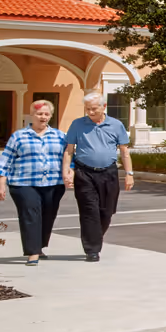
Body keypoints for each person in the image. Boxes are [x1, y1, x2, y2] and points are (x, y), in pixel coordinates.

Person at [63, 91, 134, 262]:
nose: (90, 112)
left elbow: (124, 151)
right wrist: (66, 170)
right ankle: (92, 249)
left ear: (104, 107)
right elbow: (69, 150)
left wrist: (129, 174)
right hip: (84, 173)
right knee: (89, 211)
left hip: (109, 173)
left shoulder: (116, 125)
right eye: (87, 109)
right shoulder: (77, 124)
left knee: (106, 211)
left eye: (94, 109)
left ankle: (94, 236)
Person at [0, 97, 65, 264]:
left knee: (48, 216)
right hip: (23, 183)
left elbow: (68, 158)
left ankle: (39, 246)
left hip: (54, 183)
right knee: (30, 215)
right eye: (39, 113)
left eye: (46, 114)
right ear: (32, 115)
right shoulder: (19, 136)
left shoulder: (60, 136)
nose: (43, 117)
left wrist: (70, 173)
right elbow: (6, 160)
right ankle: (32, 252)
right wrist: (1, 183)